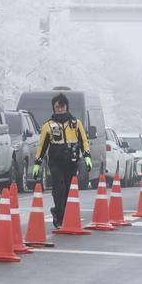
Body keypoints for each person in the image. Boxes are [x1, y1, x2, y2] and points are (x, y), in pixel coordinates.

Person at [33, 93, 91, 228]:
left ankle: (61, 214)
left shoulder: (76, 124)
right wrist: (37, 163)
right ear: (53, 108)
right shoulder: (48, 125)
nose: (60, 109)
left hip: (71, 162)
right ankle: (59, 216)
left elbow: (84, 141)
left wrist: (87, 156)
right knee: (59, 188)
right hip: (56, 162)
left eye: (62, 106)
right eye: (57, 107)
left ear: (67, 107)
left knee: (68, 190)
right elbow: (42, 145)